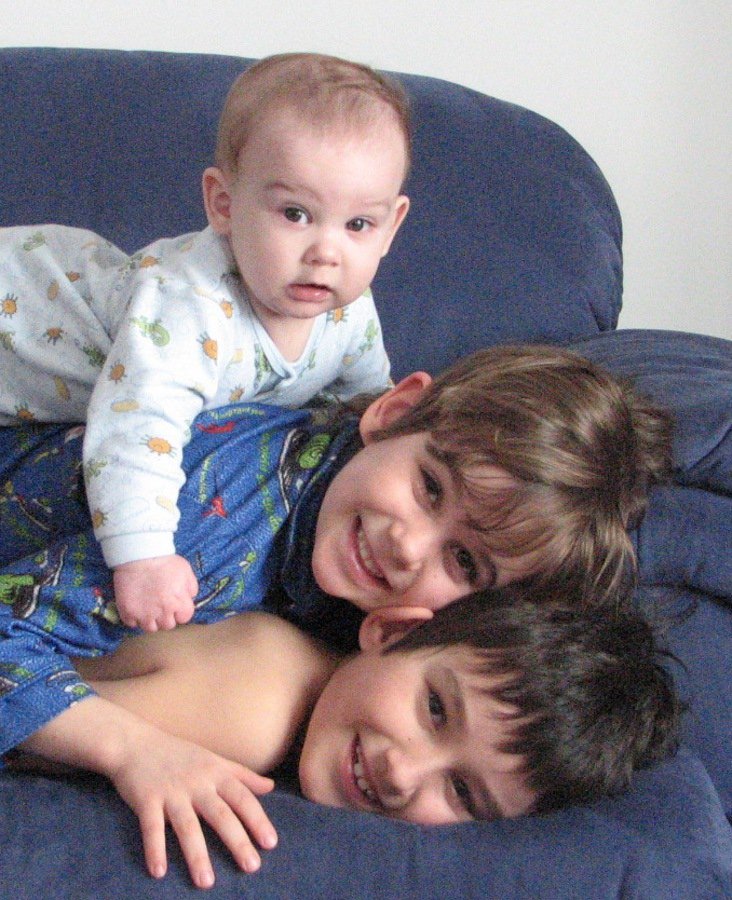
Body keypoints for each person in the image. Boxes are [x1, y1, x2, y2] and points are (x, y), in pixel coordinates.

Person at [0, 52, 411, 632]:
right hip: (19, 313)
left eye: (358, 225)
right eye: (296, 214)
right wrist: (143, 555)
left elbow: (369, 410)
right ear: (224, 204)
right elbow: (136, 427)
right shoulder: (189, 305)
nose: (326, 252)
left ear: (391, 226)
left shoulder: (349, 313)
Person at [9, 587, 682, 889]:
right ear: (391, 632)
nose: (402, 771)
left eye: (462, 792)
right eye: (436, 710)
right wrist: (131, 750)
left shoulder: (300, 685)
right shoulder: (257, 711)